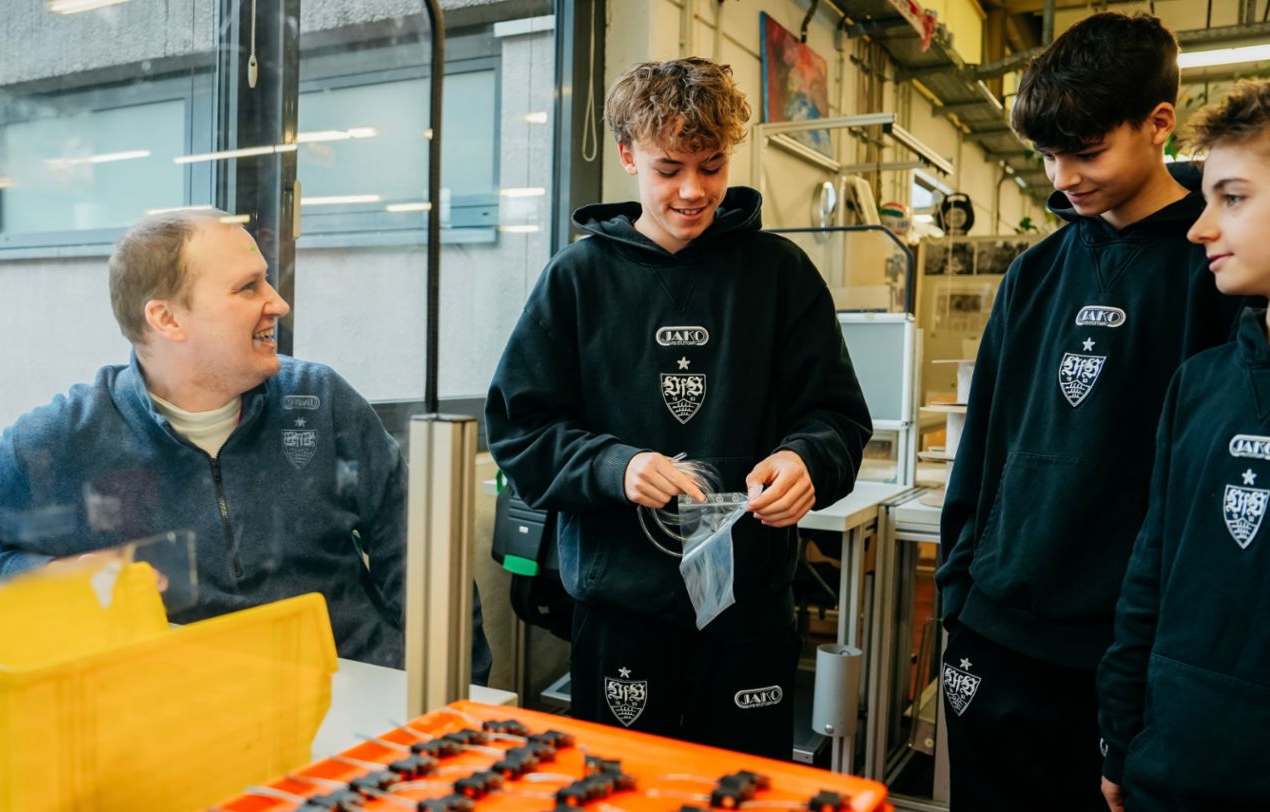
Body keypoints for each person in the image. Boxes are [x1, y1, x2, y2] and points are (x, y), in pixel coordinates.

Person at [484, 57, 871, 759]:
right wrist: (612, 466)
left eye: (712, 166)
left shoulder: (780, 276)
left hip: (748, 612)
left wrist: (806, 457)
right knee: (625, 789)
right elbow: (521, 429)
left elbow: (837, 417)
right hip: (622, 609)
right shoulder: (576, 280)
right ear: (629, 155)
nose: (694, 191)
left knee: (749, 790)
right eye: (669, 169)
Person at [0, 209, 490, 681]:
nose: (279, 303)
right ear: (167, 319)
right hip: (187, 713)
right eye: (248, 287)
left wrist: (449, 692)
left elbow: (420, 557)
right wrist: (54, 577)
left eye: (266, 279)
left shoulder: (320, 401)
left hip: (356, 688)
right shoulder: (64, 436)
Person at [935, 12, 1247, 808]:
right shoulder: (1034, 274)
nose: (1060, 178)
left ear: (1158, 123)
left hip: (1117, 648)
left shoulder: (1216, 272)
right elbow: (987, 445)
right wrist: (957, 596)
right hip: (997, 629)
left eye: (1086, 151)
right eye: (1046, 154)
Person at [1097, 78, 1270, 812]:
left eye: (1232, 198)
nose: (1201, 228)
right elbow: (1150, 575)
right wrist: (1121, 735)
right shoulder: (1199, 386)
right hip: (1171, 765)